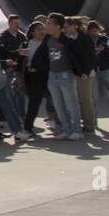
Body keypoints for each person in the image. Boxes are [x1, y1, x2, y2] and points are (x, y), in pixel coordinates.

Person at [44, 12, 84, 140]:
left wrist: (83, 71)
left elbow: (80, 55)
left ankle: (77, 130)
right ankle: (66, 130)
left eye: (50, 24)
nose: (47, 26)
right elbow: (41, 56)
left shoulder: (67, 41)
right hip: (52, 75)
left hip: (66, 75)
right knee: (58, 105)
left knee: (71, 104)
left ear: (58, 26)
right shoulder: (48, 40)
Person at [88, 20, 109, 129]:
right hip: (93, 71)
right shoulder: (87, 40)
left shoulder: (105, 39)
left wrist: (104, 49)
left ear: (99, 29)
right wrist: (95, 52)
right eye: (91, 31)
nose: (94, 33)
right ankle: (94, 120)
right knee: (94, 97)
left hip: (104, 70)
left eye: (95, 30)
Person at [21, 20, 51, 133]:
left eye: (43, 29)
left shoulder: (49, 42)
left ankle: (61, 123)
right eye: (39, 29)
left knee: (56, 99)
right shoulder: (28, 43)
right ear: (32, 32)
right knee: (34, 102)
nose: (42, 31)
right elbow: (21, 62)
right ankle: (28, 127)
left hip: (49, 74)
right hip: (34, 76)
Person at [70, 16, 98, 132]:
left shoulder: (84, 38)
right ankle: (86, 122)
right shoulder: (71, 38)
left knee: (85, 99)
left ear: (75, 26)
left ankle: (90, 124)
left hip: (85, 73)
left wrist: (85, 72)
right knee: (82, 99)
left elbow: (90, 57)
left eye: (68, 26)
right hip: (78, 72)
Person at [0, 13, 30, 118]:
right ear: (9, 23)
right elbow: (3, 52)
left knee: (21, 92)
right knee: (10, 93)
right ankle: (12, 113)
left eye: (18, 23)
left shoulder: (22, 36)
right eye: (15, 23)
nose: (17, 25)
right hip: (9, 68)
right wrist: (18, 52)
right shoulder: (3, 37)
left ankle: (22, 113)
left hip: (20, 68)